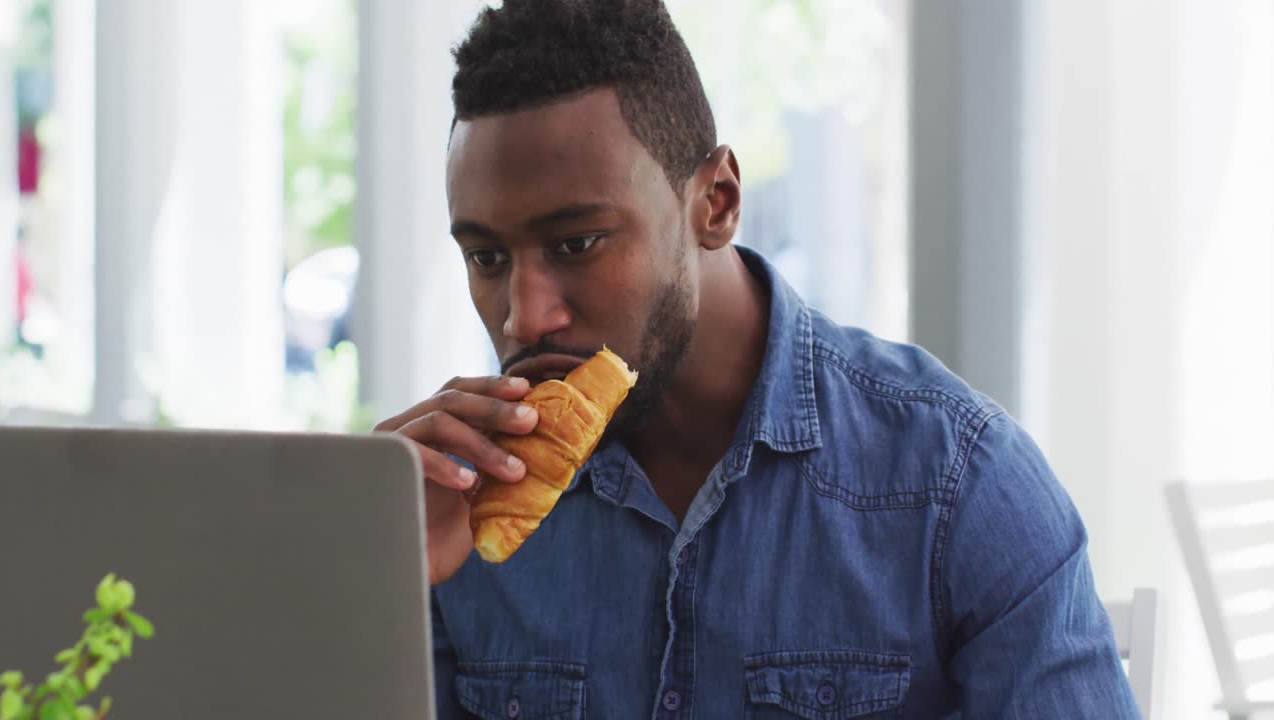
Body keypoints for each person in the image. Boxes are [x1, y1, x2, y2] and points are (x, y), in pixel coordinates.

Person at [375, 0, 1141, 716]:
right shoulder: (452, 509)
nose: (524, 314)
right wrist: (360, 590)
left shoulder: (959, 485)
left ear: (717, 202)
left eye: (577, 243)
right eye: (485, 257)